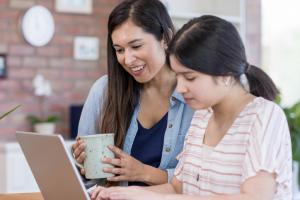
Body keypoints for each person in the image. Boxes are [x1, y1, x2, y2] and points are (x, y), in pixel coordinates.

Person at [91, 15, 292, 200]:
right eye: (178, 76)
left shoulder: (264, 116)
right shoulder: (202, 116)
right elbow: (178, 188)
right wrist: (124, 193)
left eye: (190, 77)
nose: (180, 87)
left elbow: (254, 198)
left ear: (225, 73)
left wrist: (154, 198)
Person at [72, 0, 194, 187]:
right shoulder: (104, 91)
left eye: (136, 46)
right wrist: (83, 165)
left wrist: (143, 173)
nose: (127, 60)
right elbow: (89, 181)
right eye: (119, 50)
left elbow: (202, 180)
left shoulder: (196, 96)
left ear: (166, 38)